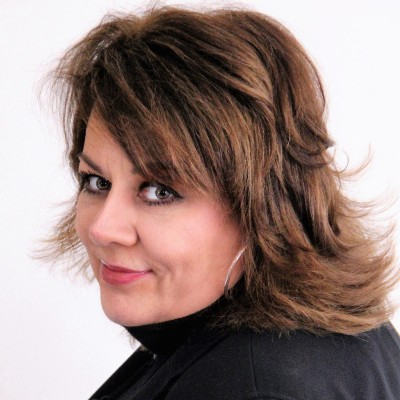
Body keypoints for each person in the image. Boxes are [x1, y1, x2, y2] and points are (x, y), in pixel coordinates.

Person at [45, 5, 400, 399]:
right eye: (97, 182)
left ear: (261, 207)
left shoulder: (250, 386)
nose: (102, 228)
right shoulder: (345, 336)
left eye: (160, 191)